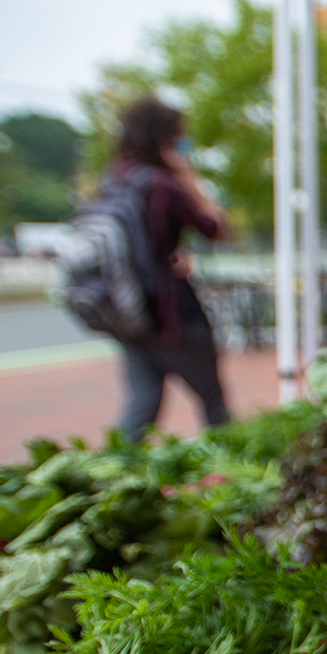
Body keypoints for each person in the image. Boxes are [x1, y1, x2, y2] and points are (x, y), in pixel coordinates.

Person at [110, 96, 230, 438]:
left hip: (128, 312)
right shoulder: (163, 184)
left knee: (142, 401)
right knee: (214, 403)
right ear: (165, 137)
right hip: (172, 312)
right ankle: (228, 478)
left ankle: (111, 478)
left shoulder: (116, 179)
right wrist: (188, 174)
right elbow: (217, 229)